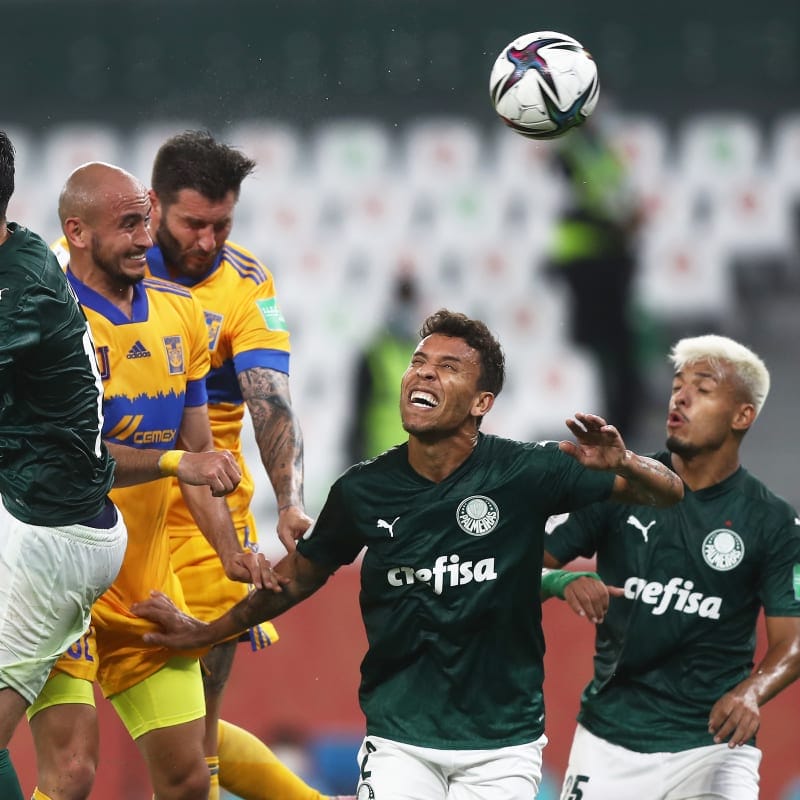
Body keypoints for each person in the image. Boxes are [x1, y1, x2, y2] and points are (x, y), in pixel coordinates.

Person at [133, 308, 684, 800]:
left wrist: (626, 462)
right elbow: (295, 581)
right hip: (400, 739)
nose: (422, 371)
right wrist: (205, 632)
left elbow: (668, 493)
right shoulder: (362, 490)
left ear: (481, 402)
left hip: (503, 744)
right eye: (419, 361)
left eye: (447, 367)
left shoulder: (528, 470)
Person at [26, 162, 271, 800]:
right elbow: (70, 454)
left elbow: (199, 453)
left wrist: (230, 553)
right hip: (53, 578)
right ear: (77, 232)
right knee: (74, 774)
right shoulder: (46, 323)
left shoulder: (182, 313)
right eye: (129, 224)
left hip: (143, 584)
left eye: (147, 221)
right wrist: (170, 463)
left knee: (190, 777)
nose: (145, 238)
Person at [145, 130, 343, 800]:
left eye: (221, 224)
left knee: (195, 721)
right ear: (153, 206)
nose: (206, 241)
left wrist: (290, 499)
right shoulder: (102, 260)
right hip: (110, 505)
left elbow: (271, 402)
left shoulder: (246, 282)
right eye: (192, 224)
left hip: (207, 523)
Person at [543, 334, 800, 800]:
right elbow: (513, 568)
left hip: (714, 745)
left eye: (703, 388)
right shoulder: (618, 487)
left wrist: (751, 692)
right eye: (678, 384)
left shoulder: (774, 520)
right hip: (610, 739)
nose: (680, 395)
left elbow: (793, 638)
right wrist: (560, 580)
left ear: (743, 415)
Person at [0, 132, 127, 800]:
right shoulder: (11, 248)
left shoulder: (19, 295)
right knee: (71, 770)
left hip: (54, 536)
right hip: (24, 509)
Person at [545, 119, 645, 439]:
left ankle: (611, 417)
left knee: (600, 344)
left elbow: (611, 201)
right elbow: (616, 202)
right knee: (605, 345)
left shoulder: (582, 151)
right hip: (595, 259)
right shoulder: (590, 151)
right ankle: (610, 416)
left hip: (595, 260)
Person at [347, 273, 422, 463]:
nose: (406, 312)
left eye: (409, 303)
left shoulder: (428, 355)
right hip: (378, 456)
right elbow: (359, 409)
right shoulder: (374, 354)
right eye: (401, 302)